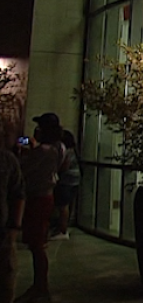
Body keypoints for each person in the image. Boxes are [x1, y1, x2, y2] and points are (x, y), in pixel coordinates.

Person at [16, 114, 66, 303]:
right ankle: (39, 286)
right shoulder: (59, 148)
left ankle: (40, 287)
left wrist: (24, 152)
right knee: (37, 243)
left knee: (36, 244)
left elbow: (23, 169)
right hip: (45, 197)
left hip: (37, 198)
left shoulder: (44, 151)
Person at [0, 120, 25, 303]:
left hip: (3, 232)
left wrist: (14, 227)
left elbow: (18, 193)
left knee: (6, 281)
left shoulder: (7, 160)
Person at [49, 130, 79, 241]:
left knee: (63, 205)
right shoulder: (73, 151)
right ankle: (63, 227)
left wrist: (57, 170)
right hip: (74, 180)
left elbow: (65, 166)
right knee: (67, 205)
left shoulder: (67, 151)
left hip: (66, 180)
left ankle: (62, 230)